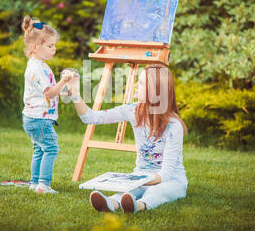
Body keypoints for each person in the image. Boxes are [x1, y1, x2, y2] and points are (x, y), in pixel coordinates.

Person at [67, 64, 188, 212]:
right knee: (128, 190)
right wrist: (74, 94)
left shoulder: (173, 126)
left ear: (155, 91)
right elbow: (90, 117)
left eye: (141, 83)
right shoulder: (132, 110)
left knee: (155, 191)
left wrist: (137, 182)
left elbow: (166, 174)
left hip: (173, 181)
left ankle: (138, 206)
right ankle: (111, 203)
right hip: (141, 175)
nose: (135, 85)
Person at [21, 16, 73, 194]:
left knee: (39, 149)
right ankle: (44, 185)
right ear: (35, 47)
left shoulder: (37, 65)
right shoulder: (38, 69)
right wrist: (64, 81)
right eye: (50, 46)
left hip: (32, 118)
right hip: (39, 120)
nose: (54, 49)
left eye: (54, 45)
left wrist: (64, 92)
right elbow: (49, 92)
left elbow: (49, 92)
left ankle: (35, 183)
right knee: (51, 148)